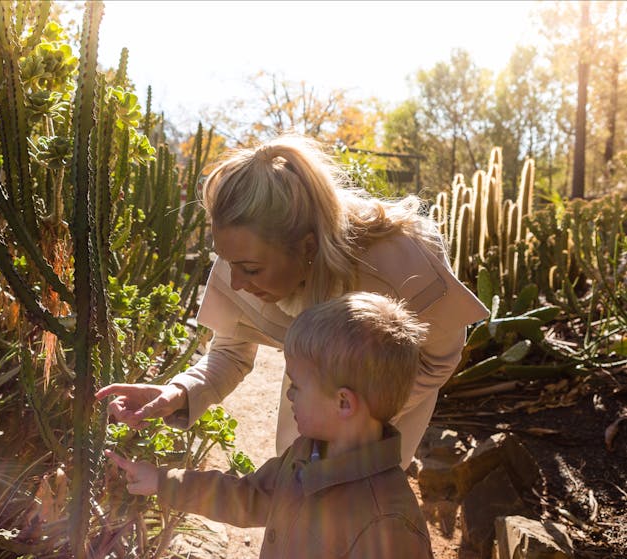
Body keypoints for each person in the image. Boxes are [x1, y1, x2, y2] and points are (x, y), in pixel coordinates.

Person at [95, 134, 488, 469]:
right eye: (228, 263)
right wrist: (177, 392)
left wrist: (355, 416)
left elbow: (439, 358)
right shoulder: (241, 259)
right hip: (308, 417)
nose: (235, 281)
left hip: (387, 429)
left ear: (307, 247)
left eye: (249, 269)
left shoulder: (403, 261)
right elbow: (230, 354)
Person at [106, 292, 434, 558]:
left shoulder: (387, 523)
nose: (289, 394)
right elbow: (249, 496)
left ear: (343, 403)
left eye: (297, 385)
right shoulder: (308, 452)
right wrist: (163, 481)